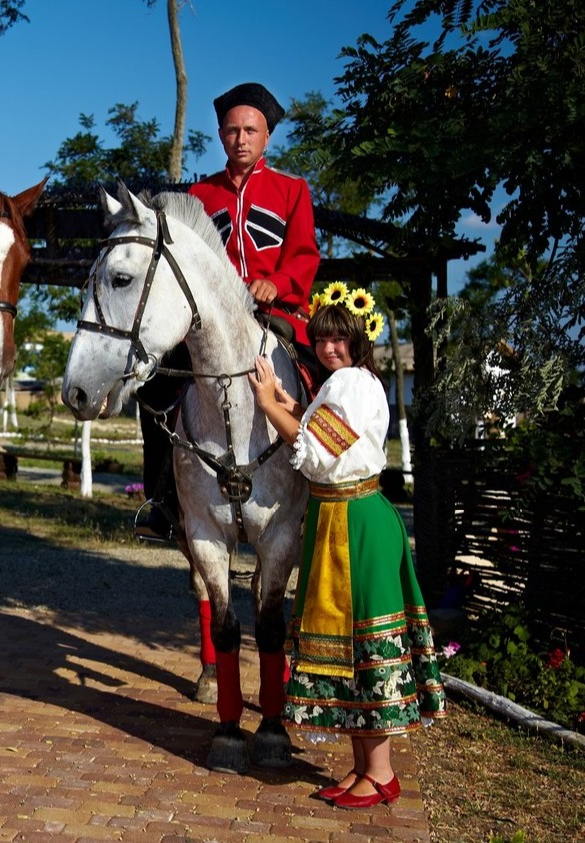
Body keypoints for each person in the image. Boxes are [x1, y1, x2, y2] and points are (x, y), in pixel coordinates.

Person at [247, 283, 446, 809]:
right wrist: (294, 404)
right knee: (353, 650)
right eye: (322, 339)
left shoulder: (353, 383)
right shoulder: (343, 384)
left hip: (354, 520)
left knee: (366, 648)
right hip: (339, 516)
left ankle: (380, 773)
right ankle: (363, 769)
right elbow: (325, 434)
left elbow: (315, 452)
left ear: (359, 339)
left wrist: (269, 405)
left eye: (339, 338)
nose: (329, 347)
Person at [135, 81, 320, 544]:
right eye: (233, 130)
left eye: (250, 130)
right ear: (220, 135)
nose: (241, 138)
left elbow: (304, 255)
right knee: (156, 384)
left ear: (266, 137)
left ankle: (319, 485)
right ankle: (163, 500)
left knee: (319, 379)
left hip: (273, 315)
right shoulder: (200, 194)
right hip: (206, 322)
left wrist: (275, 283)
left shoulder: (292, 190)